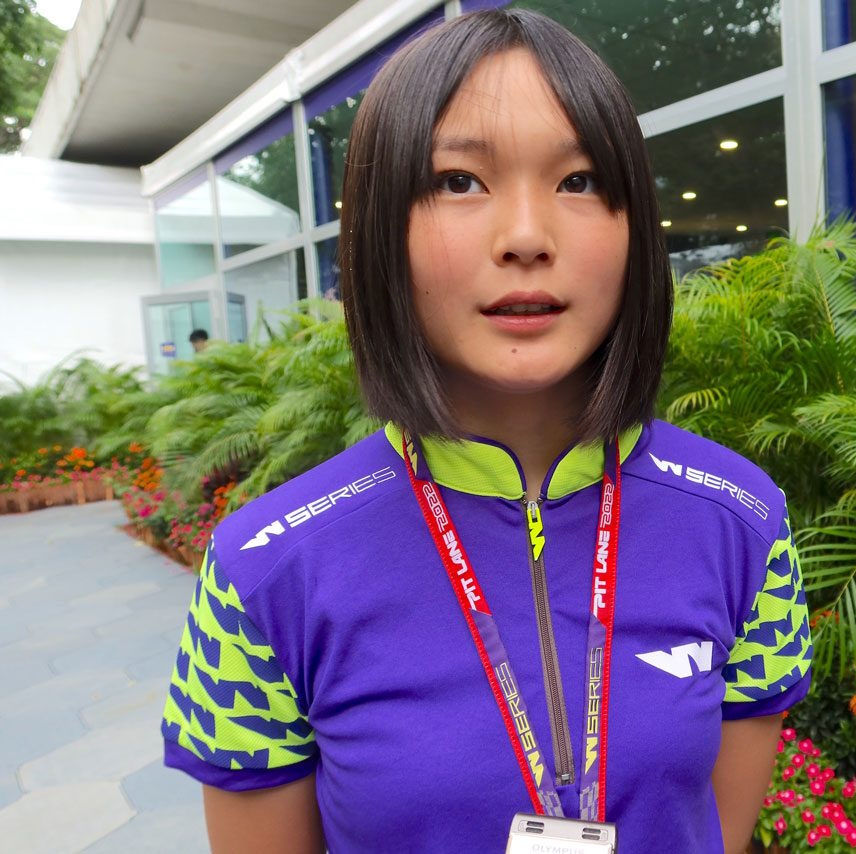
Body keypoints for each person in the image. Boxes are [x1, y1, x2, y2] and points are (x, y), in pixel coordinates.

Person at [160, 9, 811, 853]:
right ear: (379, 232)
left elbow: (713, 833)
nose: (528, 238)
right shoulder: (264, 573)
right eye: (459, 181)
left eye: (580, 180)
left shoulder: (742, 521)